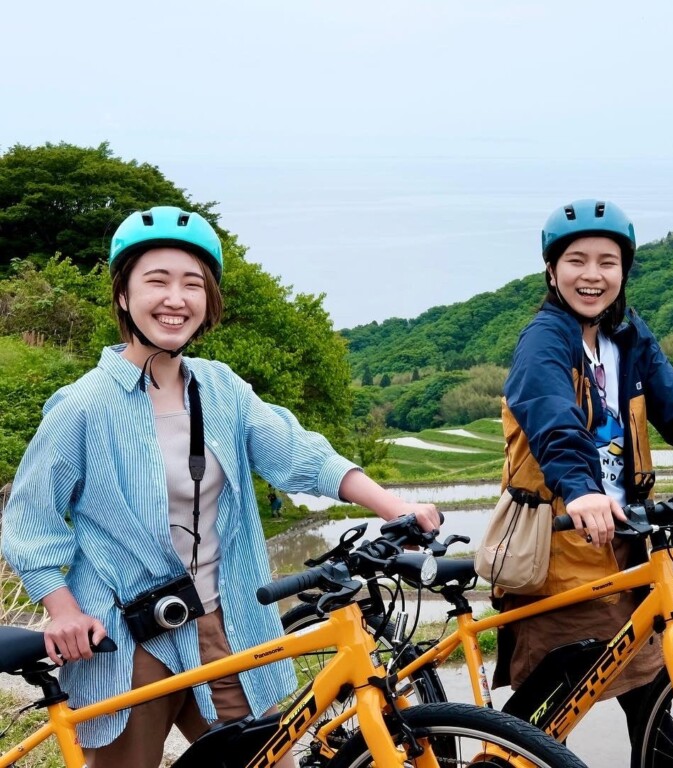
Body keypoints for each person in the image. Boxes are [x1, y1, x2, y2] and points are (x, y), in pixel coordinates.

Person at [0, 206, 441, 768]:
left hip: (221, 621)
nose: (175, 298)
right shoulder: (82, 406)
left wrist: (395, 506)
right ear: (123, 296)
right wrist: (61, 608)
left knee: (267, 759)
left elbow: (300, 453)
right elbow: (31, 518)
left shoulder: (221, 388)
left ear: (208, 300)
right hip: (123, 635)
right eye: (156, 281)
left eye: (192, 284)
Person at [494, 198, 673, 758]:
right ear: (552, 271)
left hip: (627, 544)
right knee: (546, 717)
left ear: (624, 272)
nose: (592, 275)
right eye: (576, 260)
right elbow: (551, 416)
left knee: (652, 689)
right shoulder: (544, 340)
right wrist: (582, 490)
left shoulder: (627, 338)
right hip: (559, 549)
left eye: (607, 262)